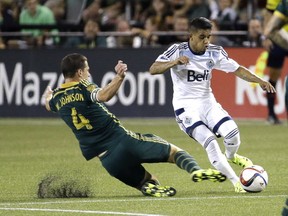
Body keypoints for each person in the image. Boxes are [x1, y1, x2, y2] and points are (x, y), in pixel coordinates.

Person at [43, 53, 227, 198]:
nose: (89, 73)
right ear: (79, 73)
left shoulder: (58, 98)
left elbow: (48, 103)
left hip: (108, 161)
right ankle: (196, 171)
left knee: (149, 181)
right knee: (175, 153)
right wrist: (119, 77)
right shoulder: (83, 87)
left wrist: (47, 95)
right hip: (123, 142)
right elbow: (104, 96)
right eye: (87, 70)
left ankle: (147, 187)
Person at [149, 17, 276, 193]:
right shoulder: (177, 50)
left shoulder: (215, 52)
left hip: (208, 103)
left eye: (209, 36)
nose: (206, 41)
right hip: (185, 107)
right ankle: (236, 183)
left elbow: (237, 69)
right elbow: (153, 68)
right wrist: (174, 62)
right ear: (191, 36)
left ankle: (231, 156)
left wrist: (260, 80)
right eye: (202, 37)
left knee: (232, 133)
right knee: (210, 142)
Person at [261, 0, 288, 124]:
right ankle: (271, 114)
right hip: (279, 40)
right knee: (274, 77)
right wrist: (266, 37)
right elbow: (268, 15)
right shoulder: (279, 2)